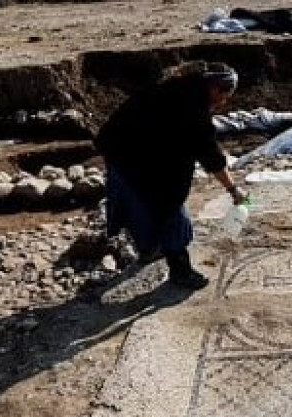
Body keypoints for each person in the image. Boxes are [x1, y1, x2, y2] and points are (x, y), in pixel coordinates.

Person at [95, 61, 248, 289]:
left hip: (119, 151)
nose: (223, 102)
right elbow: (210, 155)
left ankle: (149, 250)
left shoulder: (173, 87)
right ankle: (181, 271)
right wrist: (233, 189)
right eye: (225, 96)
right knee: (171, 210)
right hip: (138, 158)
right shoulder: (193, 109)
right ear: (215, 88)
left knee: (138, 205)